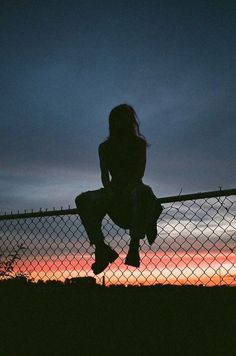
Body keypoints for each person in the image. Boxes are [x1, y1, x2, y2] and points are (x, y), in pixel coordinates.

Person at [75, 104, 162, 275]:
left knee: (144, 192)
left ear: (130, 122)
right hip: (113, 188)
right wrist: (110, 190)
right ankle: (101, 249)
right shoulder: (105, 147)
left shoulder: (138, 144)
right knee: (82, 199)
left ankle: (134, 246)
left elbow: (139, 172)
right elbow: (104, 175)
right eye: (116, 121)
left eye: (123, 120)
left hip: (134, 186)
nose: (119, 124)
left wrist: (128, 187)